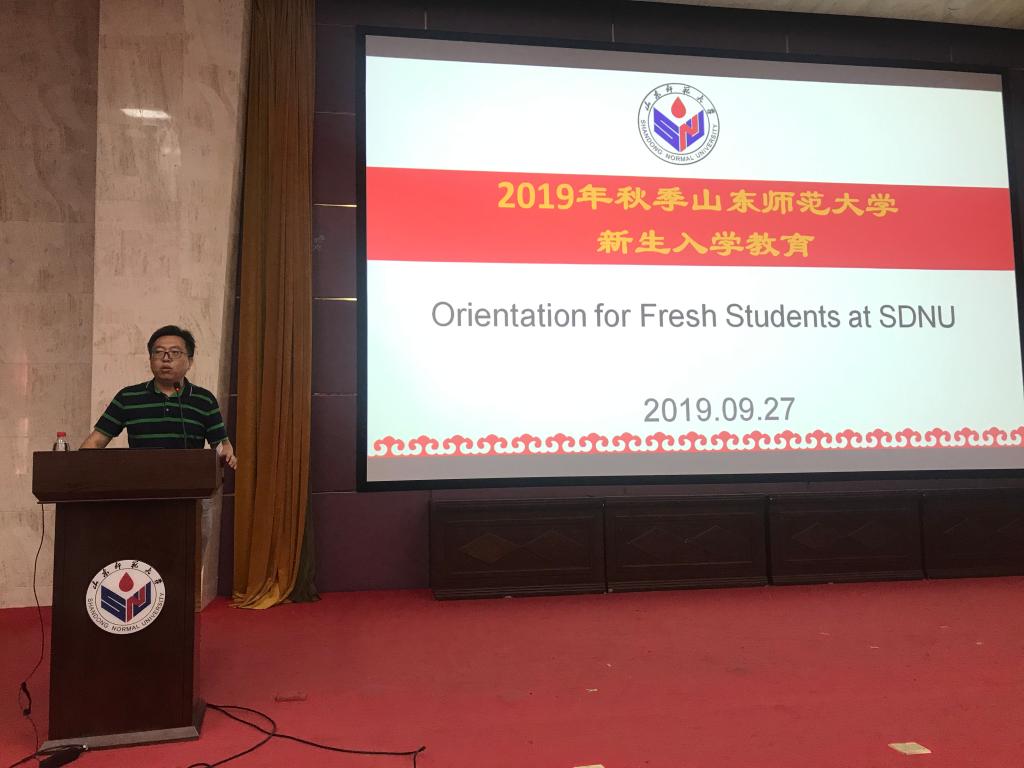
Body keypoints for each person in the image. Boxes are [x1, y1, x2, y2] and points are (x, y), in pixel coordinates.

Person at [80, 325, 238, 470]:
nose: (166, 358)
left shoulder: (204, 400)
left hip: (189, 485)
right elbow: (96, 442)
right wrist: (79, 466)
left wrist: (226, 454)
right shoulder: (128, 397)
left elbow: (222, 445)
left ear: (190, 361)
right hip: (138, 484)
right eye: (159, 352)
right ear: (150, 359)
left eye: (175, 352)